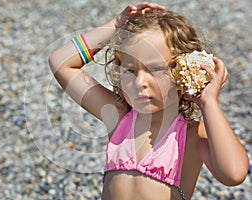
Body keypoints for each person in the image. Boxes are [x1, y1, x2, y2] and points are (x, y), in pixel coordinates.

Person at [49, 2, 249, 199]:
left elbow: (233, 174)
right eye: (130, 70)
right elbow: (61, 63)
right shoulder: (120, 117)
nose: (140, 82)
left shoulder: (191, 133)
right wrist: (116, 25)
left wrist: (209, 103)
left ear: (184, 70)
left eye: (155, 69)